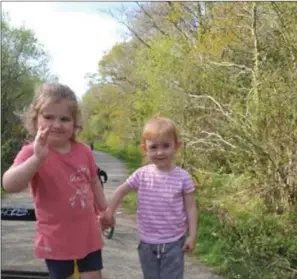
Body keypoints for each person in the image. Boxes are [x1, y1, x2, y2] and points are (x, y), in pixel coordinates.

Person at [2, 82, 113, 279]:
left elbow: (94, 182)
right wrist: (37, 159)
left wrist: (105, 210)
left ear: (74, 123)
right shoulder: (31, 152)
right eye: (48, 117)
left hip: (88, 232)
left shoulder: (84, 151)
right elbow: (9, 184)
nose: (56, 124)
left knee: (93, 276)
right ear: (35, 119)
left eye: (64, 119)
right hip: (56, 239)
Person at [102, 115, 198, 279]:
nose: (160, 152)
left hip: (174, 242)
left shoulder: (183, 177)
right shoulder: (141, 175)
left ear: (177, 146)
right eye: (154, 147)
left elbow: (190, 207)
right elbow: (121, 191)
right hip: (147, 242)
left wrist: (193, 235)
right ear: (144, 149)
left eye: (166, 146)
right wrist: (109, 212)